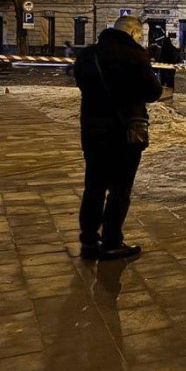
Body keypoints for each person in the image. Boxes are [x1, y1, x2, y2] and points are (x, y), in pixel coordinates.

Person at [73, 16, 163, 261]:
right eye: (140, 35)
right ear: (133, 33)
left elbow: (81, 82)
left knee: (93, 187)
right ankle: (111, 241)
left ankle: (89, 241)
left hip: (92, 131)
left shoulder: (88, 54)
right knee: (119, 189)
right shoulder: (134, 55)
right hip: (124, 133)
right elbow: (153, 92)